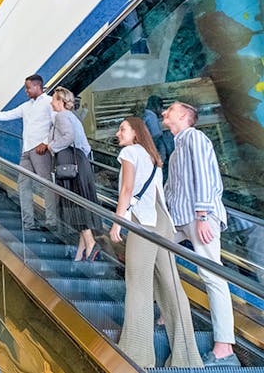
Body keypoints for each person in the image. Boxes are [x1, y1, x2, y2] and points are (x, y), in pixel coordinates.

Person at [109, 117, 203, 368]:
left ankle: (136, 354)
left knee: (138, 284)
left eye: (123, 129)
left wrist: (118, 221)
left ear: (136, 133)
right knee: (171, 285)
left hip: (144, 221)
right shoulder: (152, 156)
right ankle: (187, 358)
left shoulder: (130, 152)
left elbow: (127, 189)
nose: (119, 133)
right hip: (162, 221)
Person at [162, 101, 239, 367]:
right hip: (181, 220)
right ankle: (168, 314)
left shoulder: (194, 138)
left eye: (169, 110)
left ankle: (224, 347)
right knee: (155, 252)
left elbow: (206, 177)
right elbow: (171, 190)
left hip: (199, 218)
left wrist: (204, 216)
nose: (164, 113)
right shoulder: (176, 149)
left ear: (183, 116)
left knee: (211, 275)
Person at [0, 74, 56, 230]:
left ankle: (51, 221)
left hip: (41, 150)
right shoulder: (26, 106)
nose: (26, 91)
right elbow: (6, 115)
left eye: (28, 87)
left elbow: (56, 124)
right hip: (26, 151)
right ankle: (28, 223)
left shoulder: (50, 102)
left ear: (38, 86)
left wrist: (45, 142)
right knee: (23, 184)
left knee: (47, 185)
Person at [48, 87, 100, 261]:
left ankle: (91, 243)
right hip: (80, 163)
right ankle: (80, 254)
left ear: (61, 102)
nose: (51, 102)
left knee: (75, 205)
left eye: (54, 99)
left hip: (70, 164)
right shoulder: (73, 117)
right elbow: (85, 145)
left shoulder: (61, 116)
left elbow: (68, 137)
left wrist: (52, 146)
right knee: (80, 204)